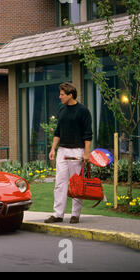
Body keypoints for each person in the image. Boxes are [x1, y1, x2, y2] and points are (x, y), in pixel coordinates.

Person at [45, 82, 92, 224]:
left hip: (77, 151)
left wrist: (87, 153)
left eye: (62, 94)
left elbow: (88, 134)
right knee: (60, 183)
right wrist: (53, 148)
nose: (59, 97)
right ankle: (58, 214)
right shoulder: (61, 110)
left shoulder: (83, 111)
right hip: (63, 150)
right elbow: (57, 131)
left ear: (70, 95)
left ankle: (75, 214)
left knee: (76, 183)